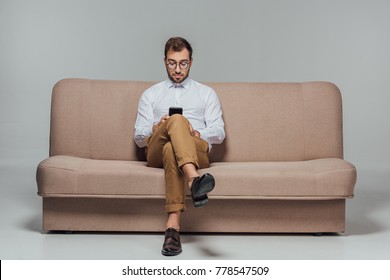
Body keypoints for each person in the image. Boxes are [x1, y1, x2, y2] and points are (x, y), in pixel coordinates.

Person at [134, 37, 225, 256]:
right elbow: (139, 137)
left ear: (191, 62)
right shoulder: (151, 94)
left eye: (183, 63)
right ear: (165, 61)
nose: (177, 69)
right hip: (156, 149)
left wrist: (196, 132)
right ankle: (194, 180)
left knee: (171, 148)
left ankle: (172, 228)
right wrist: (156, 128)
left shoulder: (206, 93)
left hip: (195, 149)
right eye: (172, 63)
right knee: (175, 122)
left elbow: (219, 132)